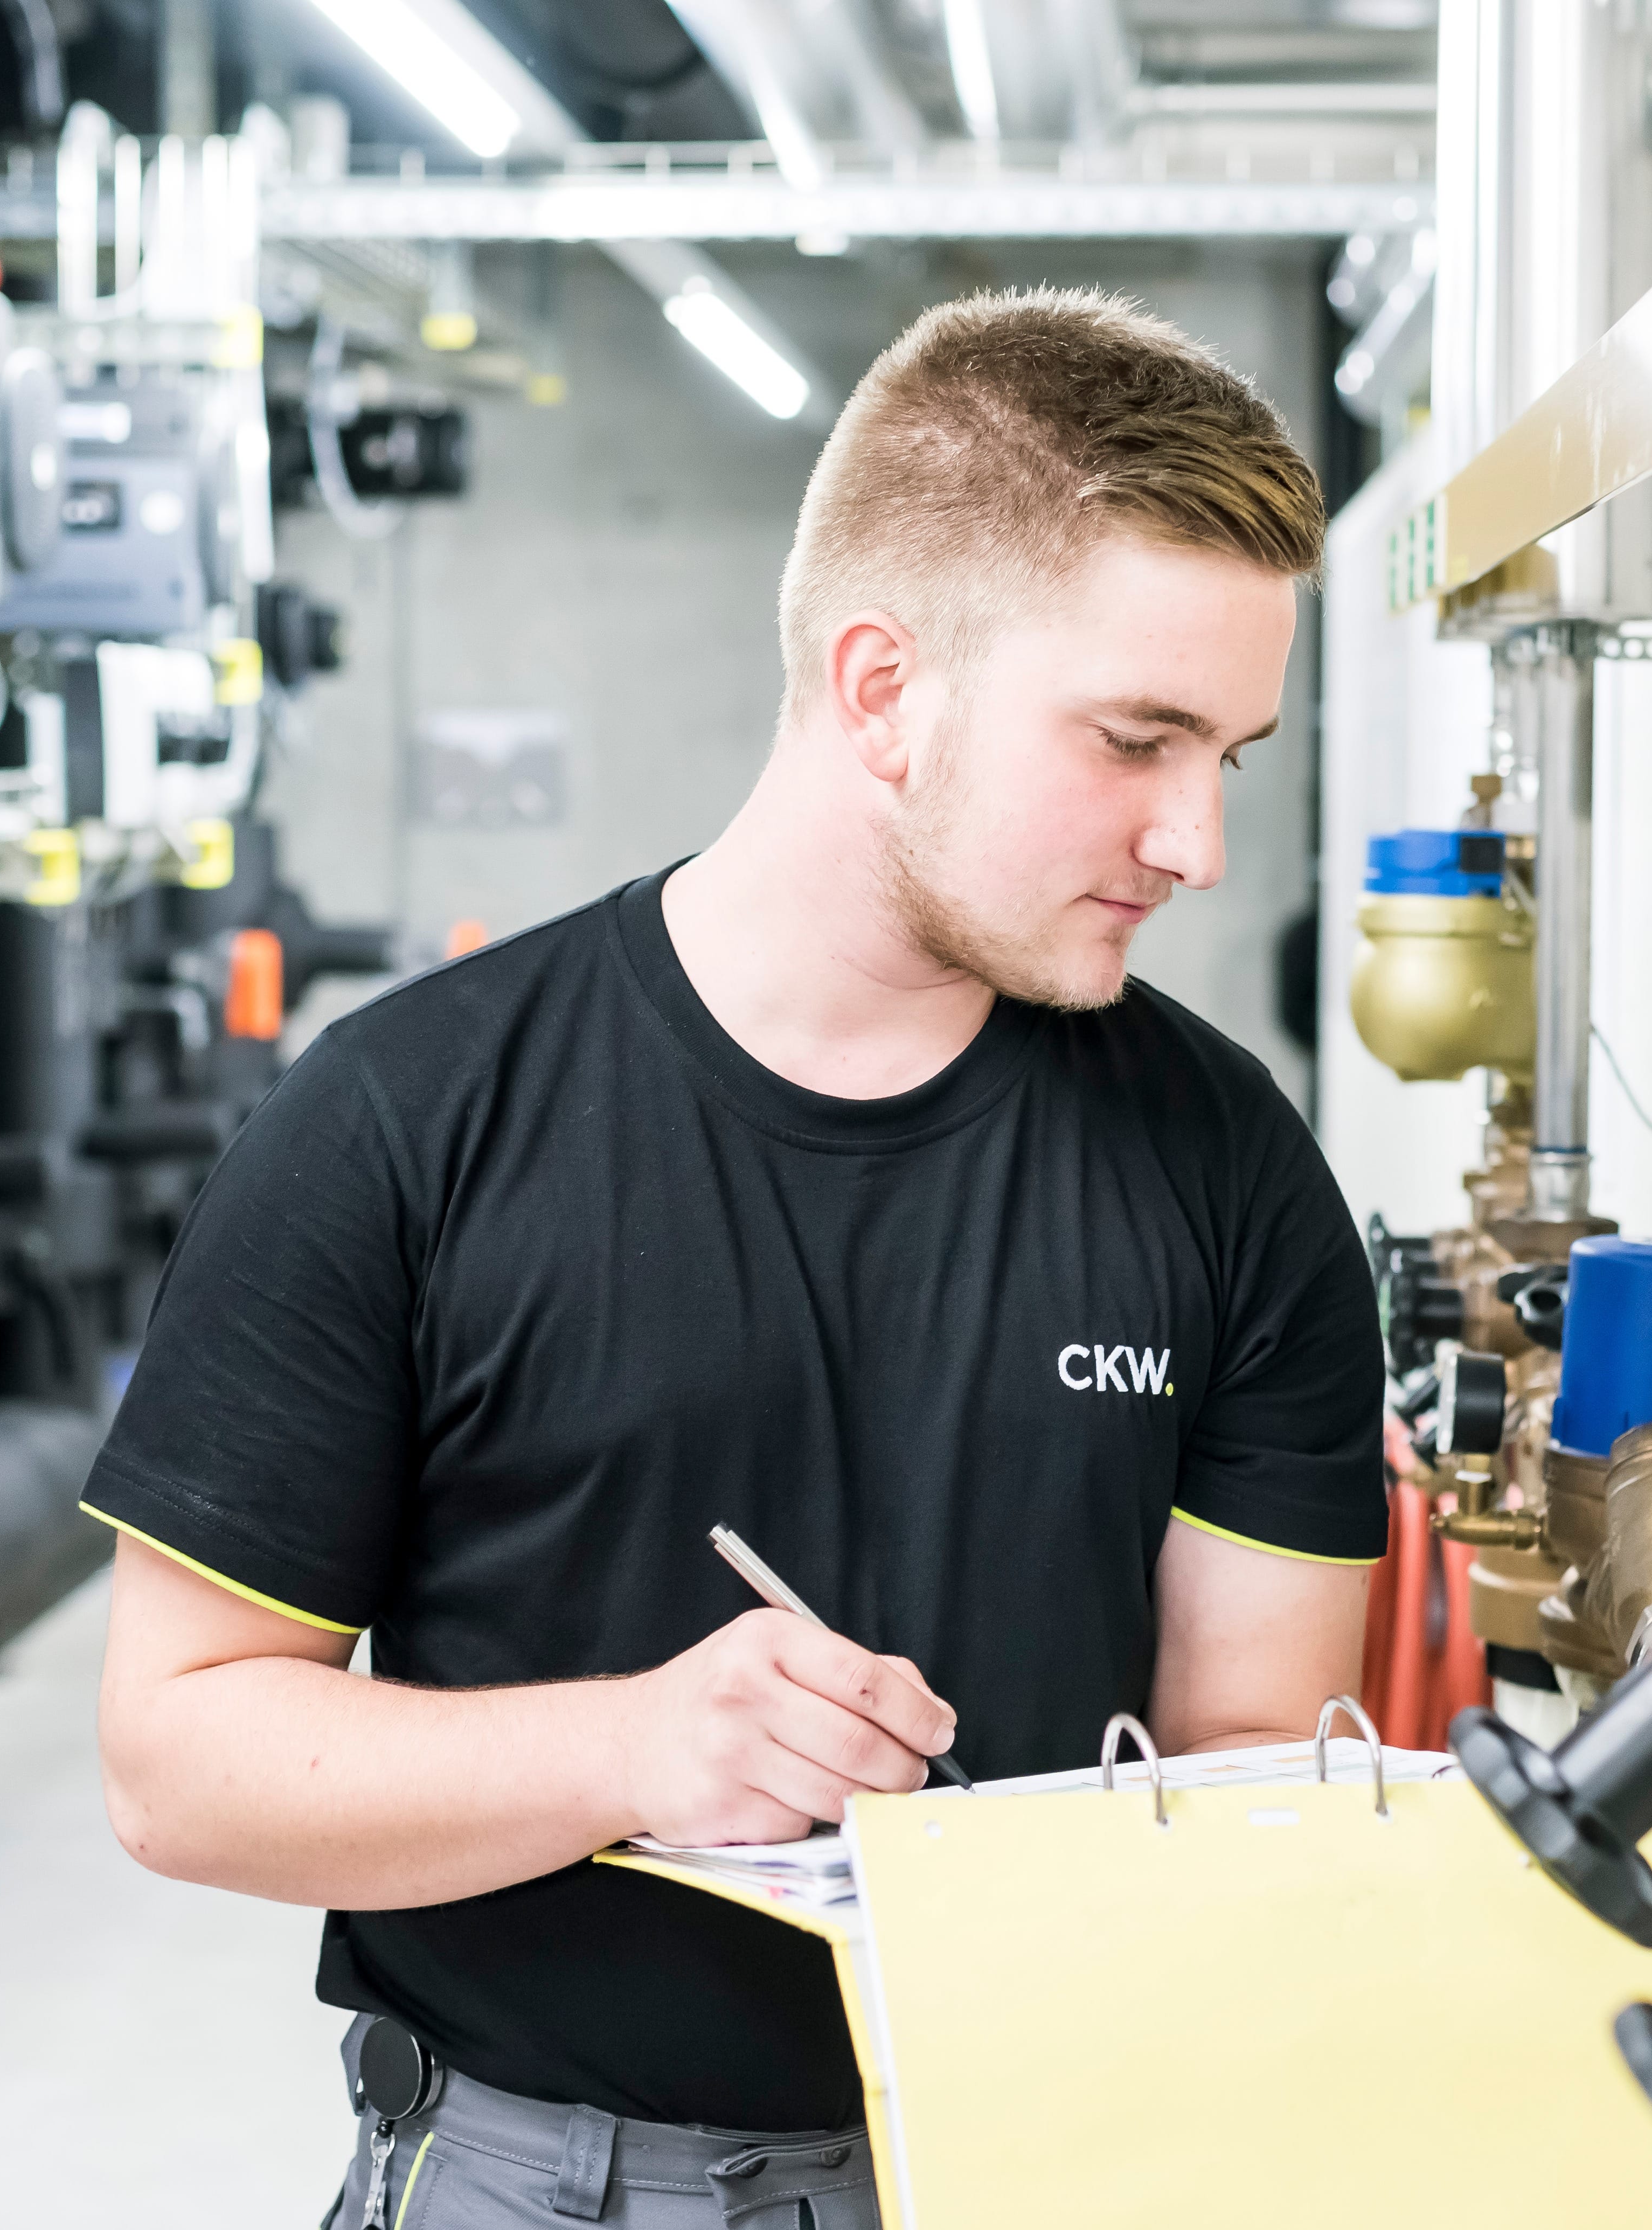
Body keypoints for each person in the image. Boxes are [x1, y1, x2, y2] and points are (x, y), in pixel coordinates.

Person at [85, 289, 1383, 2229]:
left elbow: (1252, 1772)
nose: (1195, 837)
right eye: (1136, 739)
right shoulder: (405, 1125)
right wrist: (638, 1744)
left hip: (1040, 2156)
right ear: (883, 688)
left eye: (1234, 755)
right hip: (531, 2178)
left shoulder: (1233, 1172)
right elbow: (179, 1757)